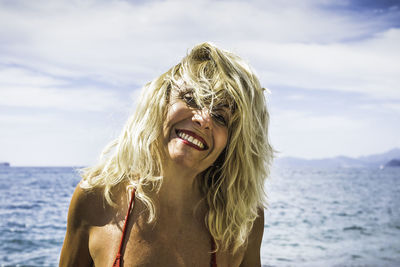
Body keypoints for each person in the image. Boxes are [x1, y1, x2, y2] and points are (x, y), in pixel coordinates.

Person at [60, 42, 273, 267]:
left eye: (221, 117)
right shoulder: (96, 198)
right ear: (161, 102)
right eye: (191, 98)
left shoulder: (242, 220)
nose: (203, 119)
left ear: (232, 143)